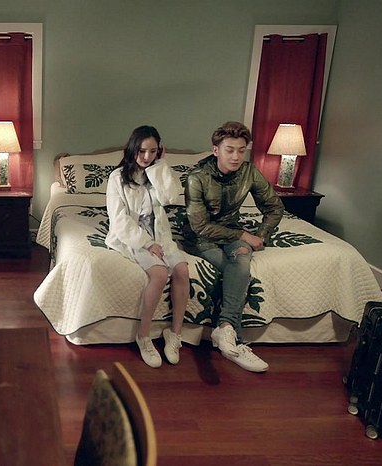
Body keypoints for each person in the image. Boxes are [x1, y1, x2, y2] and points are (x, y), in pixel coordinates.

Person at [183, 121, 284, 372]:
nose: (236, 156)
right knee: (236, 271)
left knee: (240, 262)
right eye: (229, 150)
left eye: (241, 150)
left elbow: (274, 207)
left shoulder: (249, 172)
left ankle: (225, 329)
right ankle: (237, 341)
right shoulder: (197, 177)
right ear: (215, 150)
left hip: (231, 234)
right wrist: (243, 235)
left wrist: (261, 235)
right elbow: (200, 226)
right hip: (201, 238)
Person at [106, 125, 190, 368]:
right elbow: (119, 221)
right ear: (133, 148)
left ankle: (174, 334)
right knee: (160, 274)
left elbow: (170, 198)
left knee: (182, 270)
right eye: (142, 151)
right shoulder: (117, 178)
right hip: (135, 236)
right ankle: (143, 336)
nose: (146, 157)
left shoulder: (157, 171)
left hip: (161, 234)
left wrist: (159, 166)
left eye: (153, 151)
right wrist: (147, 243)